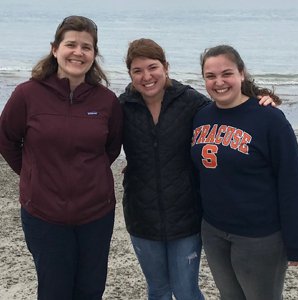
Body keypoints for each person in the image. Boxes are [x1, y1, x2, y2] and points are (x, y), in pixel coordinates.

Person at [119, 38, 276, 300]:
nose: (146, 76)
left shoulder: (190, 102)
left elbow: (227, 104)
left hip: (186, 215)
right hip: (141, 215)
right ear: (130, 74)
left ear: (166, 67)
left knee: (185, 290)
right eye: (137, 70)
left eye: (152, 67)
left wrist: (258, 98)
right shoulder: (123, 107)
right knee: (157, 290)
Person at [0, 16, 123, 299]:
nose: (78, 52)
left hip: (96, 213)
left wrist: (89, 176)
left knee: (91, 290)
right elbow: (6, 140)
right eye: (71, 44)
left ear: (94, 54)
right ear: (55, 49)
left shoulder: (106, 100)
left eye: (86, 47)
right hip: (44, 213)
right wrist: (33, 173)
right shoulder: (27, 94)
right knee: (54, 289)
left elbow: (112, 146)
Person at [191, 44, 298, 300]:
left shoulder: (270, 119)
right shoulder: (200, 116)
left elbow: (291, 181)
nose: (219, 82)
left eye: (226, 73)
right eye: (210, 76)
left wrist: (295, 243)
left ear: (241, 73)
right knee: (229, 296)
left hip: (259, 236)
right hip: (214, 230)